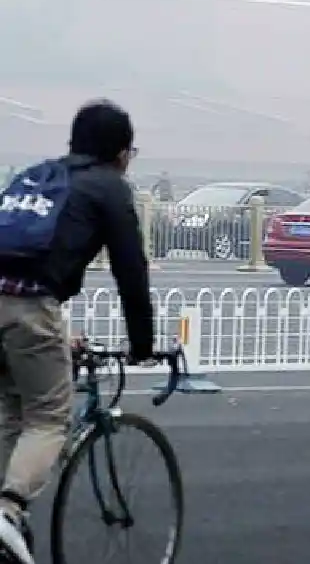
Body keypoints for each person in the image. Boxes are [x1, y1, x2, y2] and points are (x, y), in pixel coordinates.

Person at [0, 100, 155, 564]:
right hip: (29, 309)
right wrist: (143, 344)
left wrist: (59, 334)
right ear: (122, 153)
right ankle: (7, 514)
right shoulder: (109, 187)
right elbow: (131, 271)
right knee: (49, 418)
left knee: (11, 412)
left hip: (17, 308)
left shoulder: (39, 177)